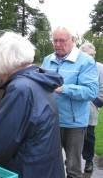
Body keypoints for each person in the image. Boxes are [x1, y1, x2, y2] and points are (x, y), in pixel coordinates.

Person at [0, 32, 65, 178]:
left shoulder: (20, 89)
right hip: (45, 167)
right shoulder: (38, 81)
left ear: (2, 61)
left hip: (28, 169)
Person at [41, 27, 98, 178]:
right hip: (50, 121)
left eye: (62, 41)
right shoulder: (48, 60)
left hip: (74, 123)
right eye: (55, 40)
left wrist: (64, 88)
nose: (58, 44)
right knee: (48, 163)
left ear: (73, 41)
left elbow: (91, 91)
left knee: (73, 168)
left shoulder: (86, 61)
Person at [80, 42, 103, 173]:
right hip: (75, 107)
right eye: (88, 55)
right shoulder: (78, 66)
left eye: (92, 55)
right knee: (72, 135)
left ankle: (89, 161)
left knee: (89, 135)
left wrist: (95, 101)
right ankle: (72, 160)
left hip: (91, 107)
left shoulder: (100, 68)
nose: (91, 57)